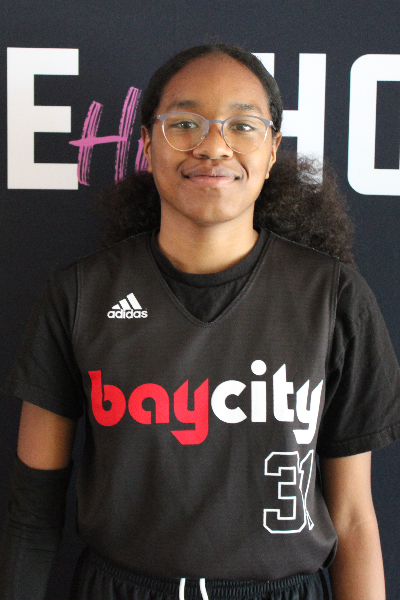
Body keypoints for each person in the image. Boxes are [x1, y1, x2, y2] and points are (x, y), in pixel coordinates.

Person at [1, 43, 399, 600]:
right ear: (147, 143)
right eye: (185, 123)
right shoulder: (80, 294)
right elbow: (32, 513)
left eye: (243, 126)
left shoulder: (335, 299)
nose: (213, 146)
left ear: (272, 149)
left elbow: (354, 519)